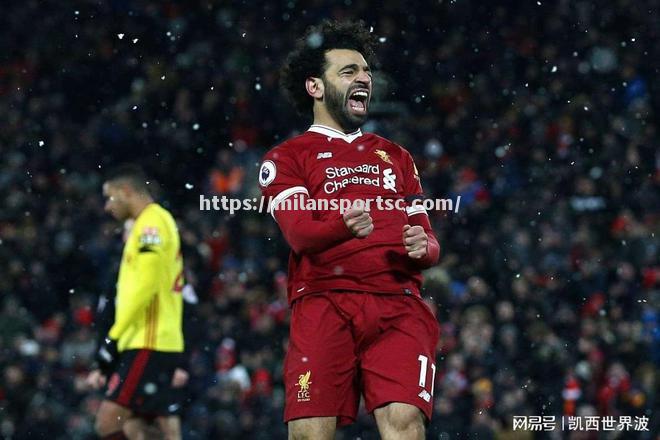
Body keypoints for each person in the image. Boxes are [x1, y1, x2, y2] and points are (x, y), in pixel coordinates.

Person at [259, 20, 441, 440]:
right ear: (315, 88)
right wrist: (343, 225)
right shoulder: (287, 158)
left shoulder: (396, 156)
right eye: (348, 72)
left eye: (365, 72)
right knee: (309, 433)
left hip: (399, 304)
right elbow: (300, 233)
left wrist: (423, 246)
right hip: (325, 303)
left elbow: (428, 240)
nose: (363, 79)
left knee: (405, 424)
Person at [86, 165, 186, 440]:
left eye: (110, 197)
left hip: (149, 340)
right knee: (143, 427)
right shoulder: (148, 224)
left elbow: (145, 287)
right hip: (145, 338)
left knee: (108, 422)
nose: (107, 206)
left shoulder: (151, 223)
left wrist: (113, 337)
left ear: (127, 191)